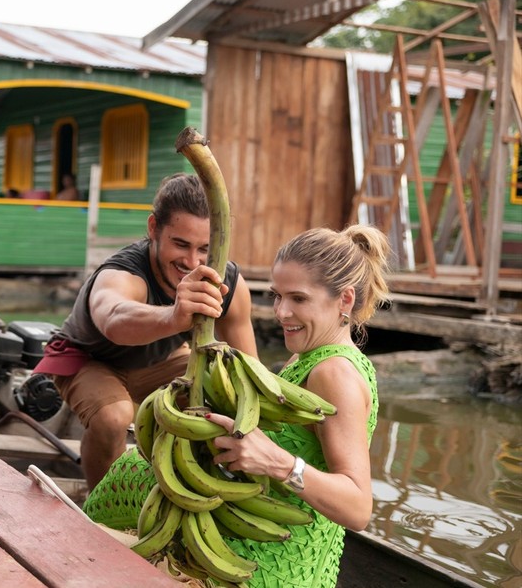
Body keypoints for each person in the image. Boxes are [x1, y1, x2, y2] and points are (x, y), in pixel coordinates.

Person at [33, 173, 257, 489]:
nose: (192, 261)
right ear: (154, 228)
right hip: (90, 360)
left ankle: (185, 490)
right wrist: (175, 317)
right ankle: (99, 502)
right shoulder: (123, 271)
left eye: (205, 248)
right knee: (114, 417)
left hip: (159, 361)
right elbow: (113, 318)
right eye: (180, 244)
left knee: (224, 393)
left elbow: (250, 370)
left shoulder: (228, 283)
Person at [203, 224, 392, 587]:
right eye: (277, 295)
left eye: (299, 299)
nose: (281, 312)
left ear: (345, 300)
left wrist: (278, 462)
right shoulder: (306, 355)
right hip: (253, 539)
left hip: (274, 565)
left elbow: (358, 508)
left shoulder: (334, 373)